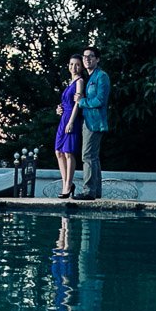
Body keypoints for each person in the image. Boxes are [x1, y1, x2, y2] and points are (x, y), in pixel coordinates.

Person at [78, 46, 110, 200]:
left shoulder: (101, 76)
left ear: (97, 59)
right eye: (85, 56)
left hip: (95, 122)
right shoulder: (89, 77)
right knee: (93, 157)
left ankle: (88, 191)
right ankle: (95, 191)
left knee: (88, 155)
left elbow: (100, 100)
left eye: (91, 56)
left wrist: (82, 101)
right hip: (88, 120)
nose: (87, 59)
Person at [53, 56, 85, 198]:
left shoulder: (80, 81)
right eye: (71, 64)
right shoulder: (69, 82)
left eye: (77, 65)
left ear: (81, 67)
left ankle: (68, 185)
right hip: (63, 118)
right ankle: (66, 183)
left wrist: (71, 121)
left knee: (68, 152)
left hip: (72, 118)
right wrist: (59, 109)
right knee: (58, 152)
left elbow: (77, 103)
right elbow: (65, 102)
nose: (74, 67)